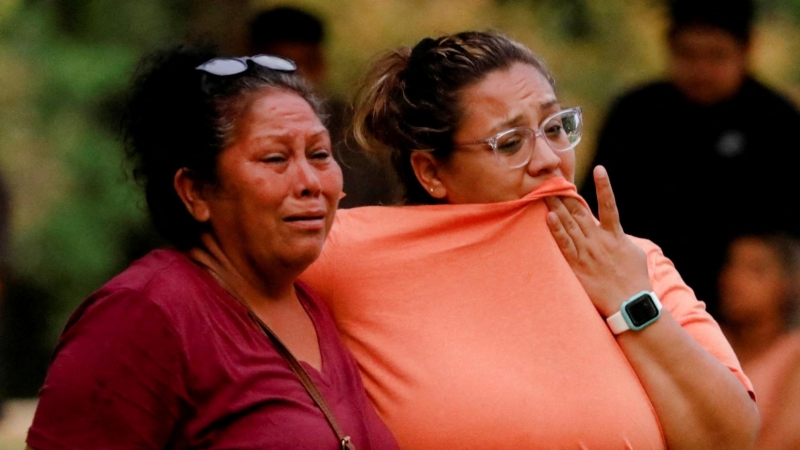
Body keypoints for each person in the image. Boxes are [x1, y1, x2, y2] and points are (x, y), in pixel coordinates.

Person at [300, 30, 759, 449]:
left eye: (555, 127)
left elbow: (732, 438)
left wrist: (631, 301)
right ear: (431, 172)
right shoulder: (350, 252)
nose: (549, 160)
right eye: (510, 142)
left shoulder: (630, 258)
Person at [25, 46, 398, 449]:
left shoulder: (313, 305)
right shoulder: (143, 314)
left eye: (320, 154)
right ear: (197, 191)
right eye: (275, 158)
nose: (310, 182)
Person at [580, 0, 800, 319]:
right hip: (641, 298)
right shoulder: (636, 115)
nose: (701, 70)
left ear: (746, 49)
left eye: (716, 55)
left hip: (744, 314)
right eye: (688, 54)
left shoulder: (776, 122)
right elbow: (594, 210)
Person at [249, 6, 398, 208]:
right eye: (281, 70)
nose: (297, 81)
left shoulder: (356, 134)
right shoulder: (233, 130)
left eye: (306, 66)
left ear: (320, 65)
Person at [719, 233, 800, 449]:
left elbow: (783, 441)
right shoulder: (707, 338)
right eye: (732, 264)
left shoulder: (794, 354)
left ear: (788, 284)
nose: (734, 278)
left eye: (755, 270)